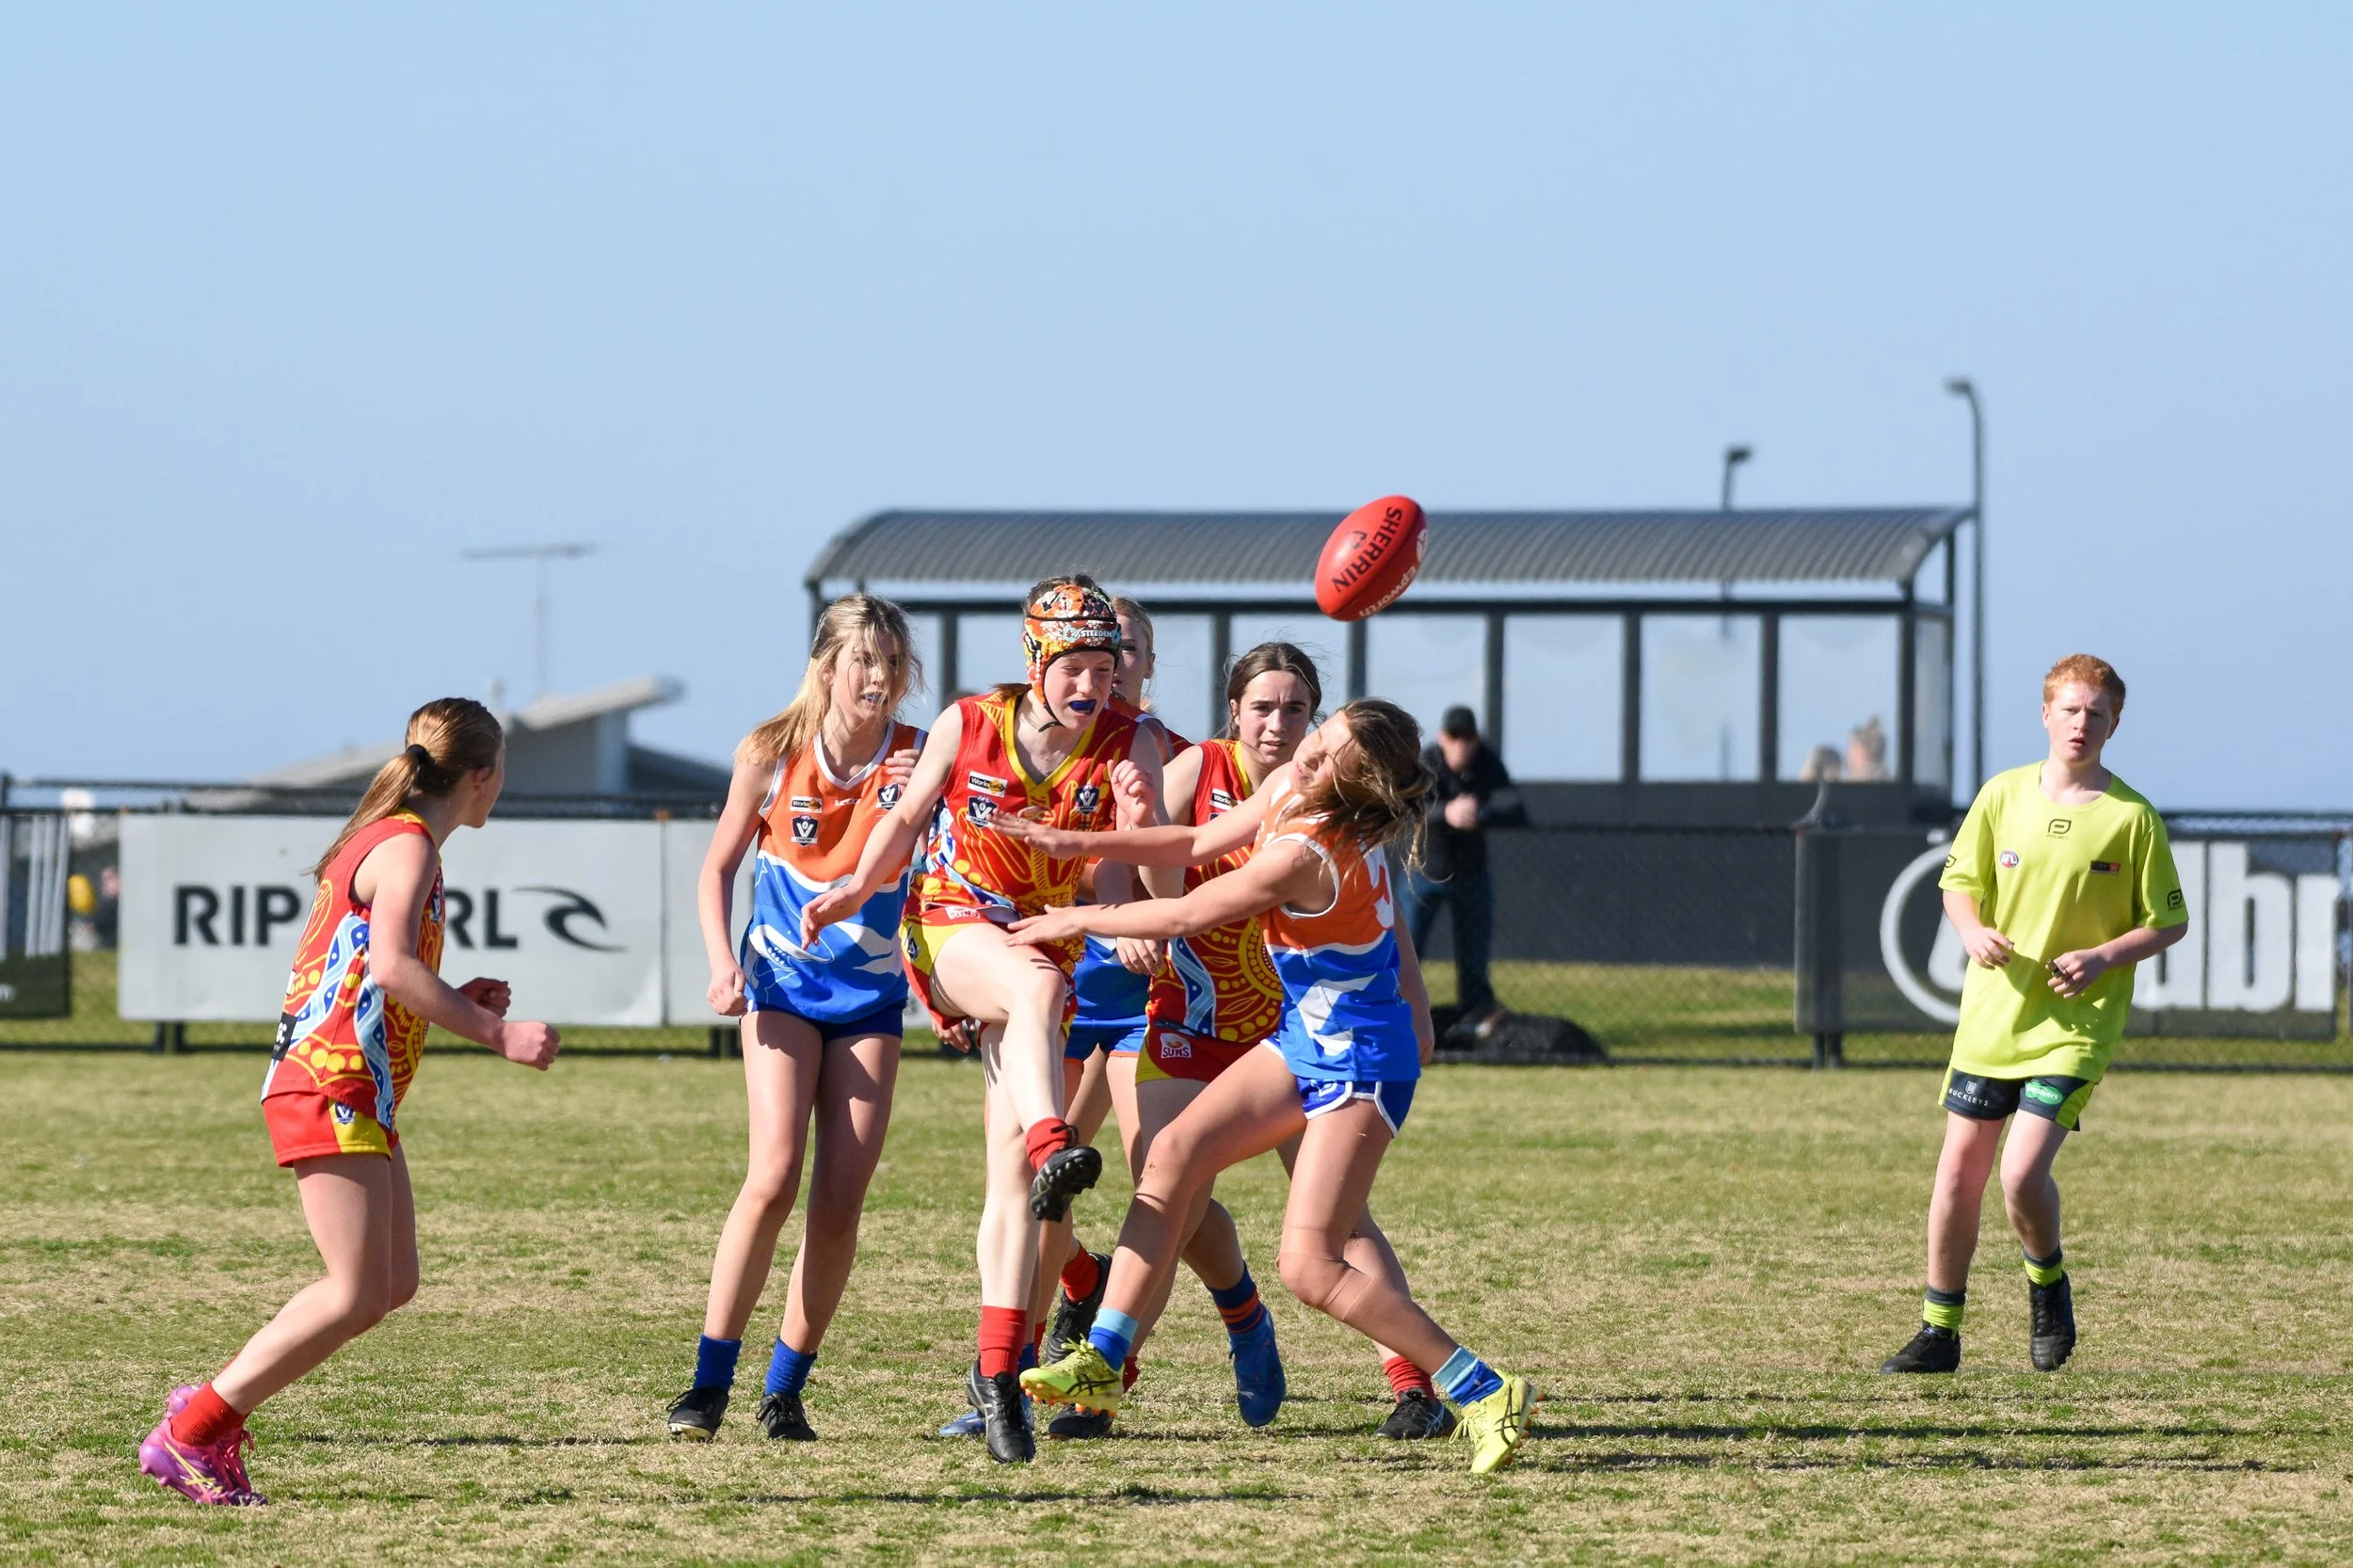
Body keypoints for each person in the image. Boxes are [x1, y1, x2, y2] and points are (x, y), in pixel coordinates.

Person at [1004, 699, 1536, 1476]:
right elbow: (1189, 842)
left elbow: (1187, 909)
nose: (1307, 755)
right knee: (1175, 1152)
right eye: (1320, 741)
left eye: (1329, 757)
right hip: (1305, 1040)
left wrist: (1080, 919)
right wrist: (1073, 839)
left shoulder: (1311, 853)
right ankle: (1104, 1359)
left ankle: (1482, 1388)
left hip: (1361, 1058)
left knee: (1310, 1265)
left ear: (1355, 787)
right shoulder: (1295, 784)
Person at [138, 699, 562, 1506]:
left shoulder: (399, 840)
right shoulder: (407, 848)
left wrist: (456, 995)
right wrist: (494, 1033)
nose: (500, 785)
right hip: (328, 1082)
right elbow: (395, 969)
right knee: (355, 1290)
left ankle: (207, 1410)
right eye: (500, 769)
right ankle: (192, 1432)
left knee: (390, 1282)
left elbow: (381, 973)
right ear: (481, 776)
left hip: (354, 1085)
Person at [803, 574, 1163, 1464]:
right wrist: (855, 885)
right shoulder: (972, 723)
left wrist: (1138, 832)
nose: (1092, 686)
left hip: (1046, 939)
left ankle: (999, 1375)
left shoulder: (1133, 741)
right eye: (1074, 666)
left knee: (1013, 1190)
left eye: (1105, 666)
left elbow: (1127, 877)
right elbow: (905, 819)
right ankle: (1055, 1139)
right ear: (1036, 660)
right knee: (1036, 999)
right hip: (954, 928)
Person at [1881, 654, 2188, 1376]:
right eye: (2070, 709)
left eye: (2097, 712)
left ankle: (2047, 1283)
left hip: (2074, 1027)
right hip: (1994, 1020)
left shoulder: (2132, 818)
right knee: (1959, 1172)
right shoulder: (2002, 795)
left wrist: (2106, 956)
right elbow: (1959, 882)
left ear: (2115, 723)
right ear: (2046, 714)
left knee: (2019, 1174)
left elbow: (2169, 923)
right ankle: (1939, 1331)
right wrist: (1970, 929)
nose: (2082, 723)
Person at [665, 595, 924, 1443]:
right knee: (773, 1175)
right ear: (826, 667)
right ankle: (707, 1386)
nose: (880, 678)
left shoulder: (920, 760)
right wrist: (721, 963)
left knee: (841, 1201)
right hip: (778, 989)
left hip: (871, 1003)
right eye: (865, 661)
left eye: (892, 661)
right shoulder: (770, 754)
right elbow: (716, 872)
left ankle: (785, 1391)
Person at [1406, 705, 1523, 1029]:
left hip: (1470, 873)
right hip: (1426, 872)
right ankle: (1398, 1011)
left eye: (1468, 737)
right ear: (1443, 738)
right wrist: (1447, 812)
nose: (1461, 744)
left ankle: (1476, 1020)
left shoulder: (1486, 761)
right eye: (1454, 737)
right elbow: (1409, 805)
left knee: (1474, 954)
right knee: (1407, 948)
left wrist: (1479, 810)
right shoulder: (1428, 760)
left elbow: (1514, 804)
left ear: (1477, 739)